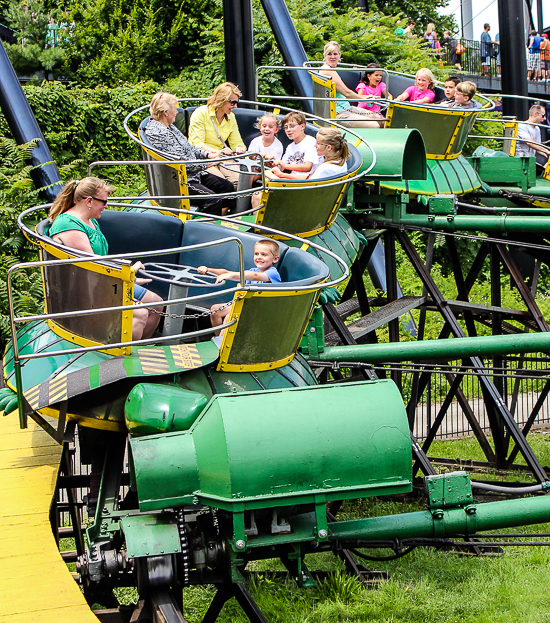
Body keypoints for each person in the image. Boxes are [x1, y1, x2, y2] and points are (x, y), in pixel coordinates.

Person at [48, 177, 163, 341]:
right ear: (89, 201)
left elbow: (102, 261)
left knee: (156, 303)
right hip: (87, 291)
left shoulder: (91, 220)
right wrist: (126, 276)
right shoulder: (69, 225)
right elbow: (92, 267)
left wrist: (129, 276)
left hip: (103, 282)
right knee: (140, 313)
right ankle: (127, 354)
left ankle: (142, 346)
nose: (106, 206)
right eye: (103, 201)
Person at [145, 92, 235, 216]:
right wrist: (208, 163)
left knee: (227, 187)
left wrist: (206, 154)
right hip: (180, 181)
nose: (177, 112)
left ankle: (223, 220)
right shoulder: (158, 133)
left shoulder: (169, 126)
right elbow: (181, 163)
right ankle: (205, 229)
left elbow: (188, 147)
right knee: (213, 200)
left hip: (193, 174)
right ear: (165, 112)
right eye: (175, 109)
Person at [197, 239, 281, 334]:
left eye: (264, 254)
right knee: (215, 310)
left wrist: (230, 276)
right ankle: (218, 339)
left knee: (230, 316)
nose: (259, 257)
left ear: (275, 259)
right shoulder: (253, 270)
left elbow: (255, 277)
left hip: (261, 310)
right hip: (246, 305)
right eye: (256, 254)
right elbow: (228, 272)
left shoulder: (273, 273)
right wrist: (209, 270)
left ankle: (222, 346)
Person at [188, 82, 247, 186]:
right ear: (222, 100)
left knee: (239, 183)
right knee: (221, 184)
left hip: (222, 157)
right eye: (232, 103)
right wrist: (218, 151)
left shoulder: (231, 117)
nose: (235, 106)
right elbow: (197, 144)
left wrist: (239, 148)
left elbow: (237, 142)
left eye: (237, 102)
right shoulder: (200, 114)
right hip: (204, 157)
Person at [319, 41, 382, 128]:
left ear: (339, 55)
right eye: (329, 54)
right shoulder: (327, 70)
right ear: (325, 56)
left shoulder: (330, 69)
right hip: (338, 113)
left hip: (346, 108)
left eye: (335, 54)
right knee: (374, 125)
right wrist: (366, 100)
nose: (332, 57)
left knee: (380, 119)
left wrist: (367, 97)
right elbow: (347, 93)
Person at [263, 127, 349, 181]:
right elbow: (308, 178)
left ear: (329, 147)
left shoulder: (325, 168)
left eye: (318, 143)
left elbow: (307, 183)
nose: (315, 145)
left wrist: (278, 176)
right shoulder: (341, 162)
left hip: (307, 197)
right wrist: (281, 175)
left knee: (266, 178)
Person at [267, 111, 319, 179]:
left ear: (302, 126)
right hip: (293, 177)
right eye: (286, 127)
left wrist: (284, 166)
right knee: (266, 174)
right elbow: (281, 167)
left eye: (292, 126)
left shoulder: (310, 141)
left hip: (307, 179)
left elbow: (307, 167)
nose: (288, 130)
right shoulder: (290, 147)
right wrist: (271, 161)